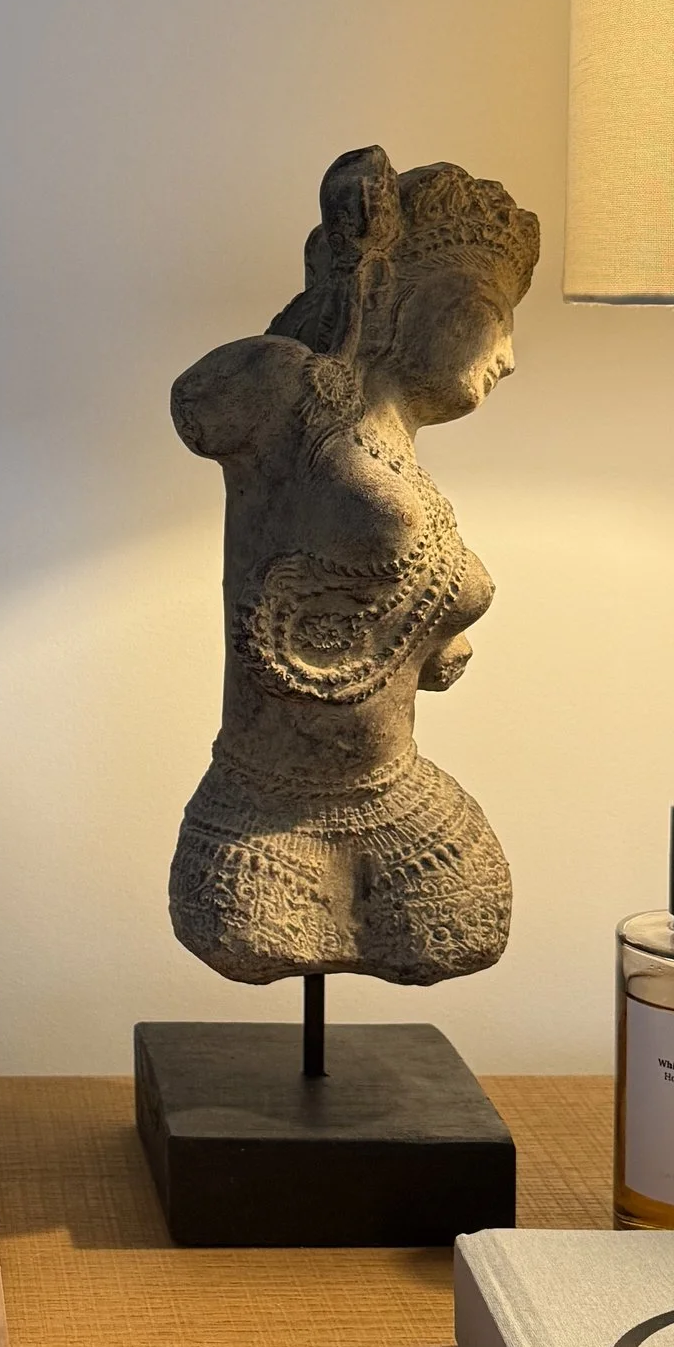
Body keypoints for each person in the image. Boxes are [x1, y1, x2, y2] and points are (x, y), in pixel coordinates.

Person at [168, 145, 539, 988]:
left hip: (404, 809)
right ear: (406, 299)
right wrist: (347, 278)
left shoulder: (406, 461)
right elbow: (196, 404)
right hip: (262, 818)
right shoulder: (291, 399)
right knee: (254, 930)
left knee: (471, 922)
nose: (509, 351)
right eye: (491, 312)